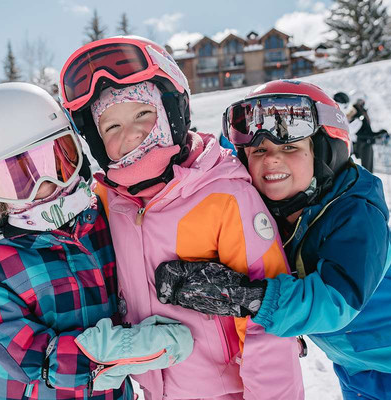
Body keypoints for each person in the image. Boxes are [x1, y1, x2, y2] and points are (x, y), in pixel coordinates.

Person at [155, 80, 391, 400]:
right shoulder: (270, 219)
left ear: (323, 152)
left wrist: (241, 297)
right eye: (259, 150)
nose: (271, 160)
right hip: (354, 365)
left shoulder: (356, 214)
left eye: (290, 148)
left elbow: (334, 300)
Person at [59, 36, 304, 400]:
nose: (130, 135)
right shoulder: (108, 203)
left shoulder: (224, 196)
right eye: (111, 127)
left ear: (173, 112)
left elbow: (269, 321)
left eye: (144, 113)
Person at [0, 82, 193, 400]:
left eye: (56, 162)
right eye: (17, 179)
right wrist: (110, 353)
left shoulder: (102, 219)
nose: (45, 187)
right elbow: (23, 351)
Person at [347, 98, 378, 172]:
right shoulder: (356, 112)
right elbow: (352, 130)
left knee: (368, 166)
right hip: (361, 142)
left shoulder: (363, 112)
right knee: (366, 167)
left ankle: (368, 180)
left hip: (367, 141)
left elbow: (367, 130)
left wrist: (376, 134)